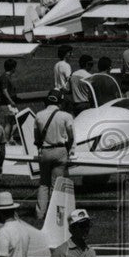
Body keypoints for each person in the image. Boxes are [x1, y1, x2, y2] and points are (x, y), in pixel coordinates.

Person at [33, 91, 75, 220]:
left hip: (45, 151)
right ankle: (57, 214)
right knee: (57, 185)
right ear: (60, 102)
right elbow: (71, 136)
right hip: (60, 149)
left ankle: (40, 213)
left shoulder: (39, 115)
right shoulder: (66, 116)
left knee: (43, 183)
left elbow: (36, 137)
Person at [0, 58, 20, 139]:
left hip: (8, 103)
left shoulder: (7, 77)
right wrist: (11, 101)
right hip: (7, 103)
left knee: (12, 121)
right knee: (11, 122)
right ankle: (7, 139)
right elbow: (4, 91)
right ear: (13, 68)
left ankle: (10, 138)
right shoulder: (4, 78)